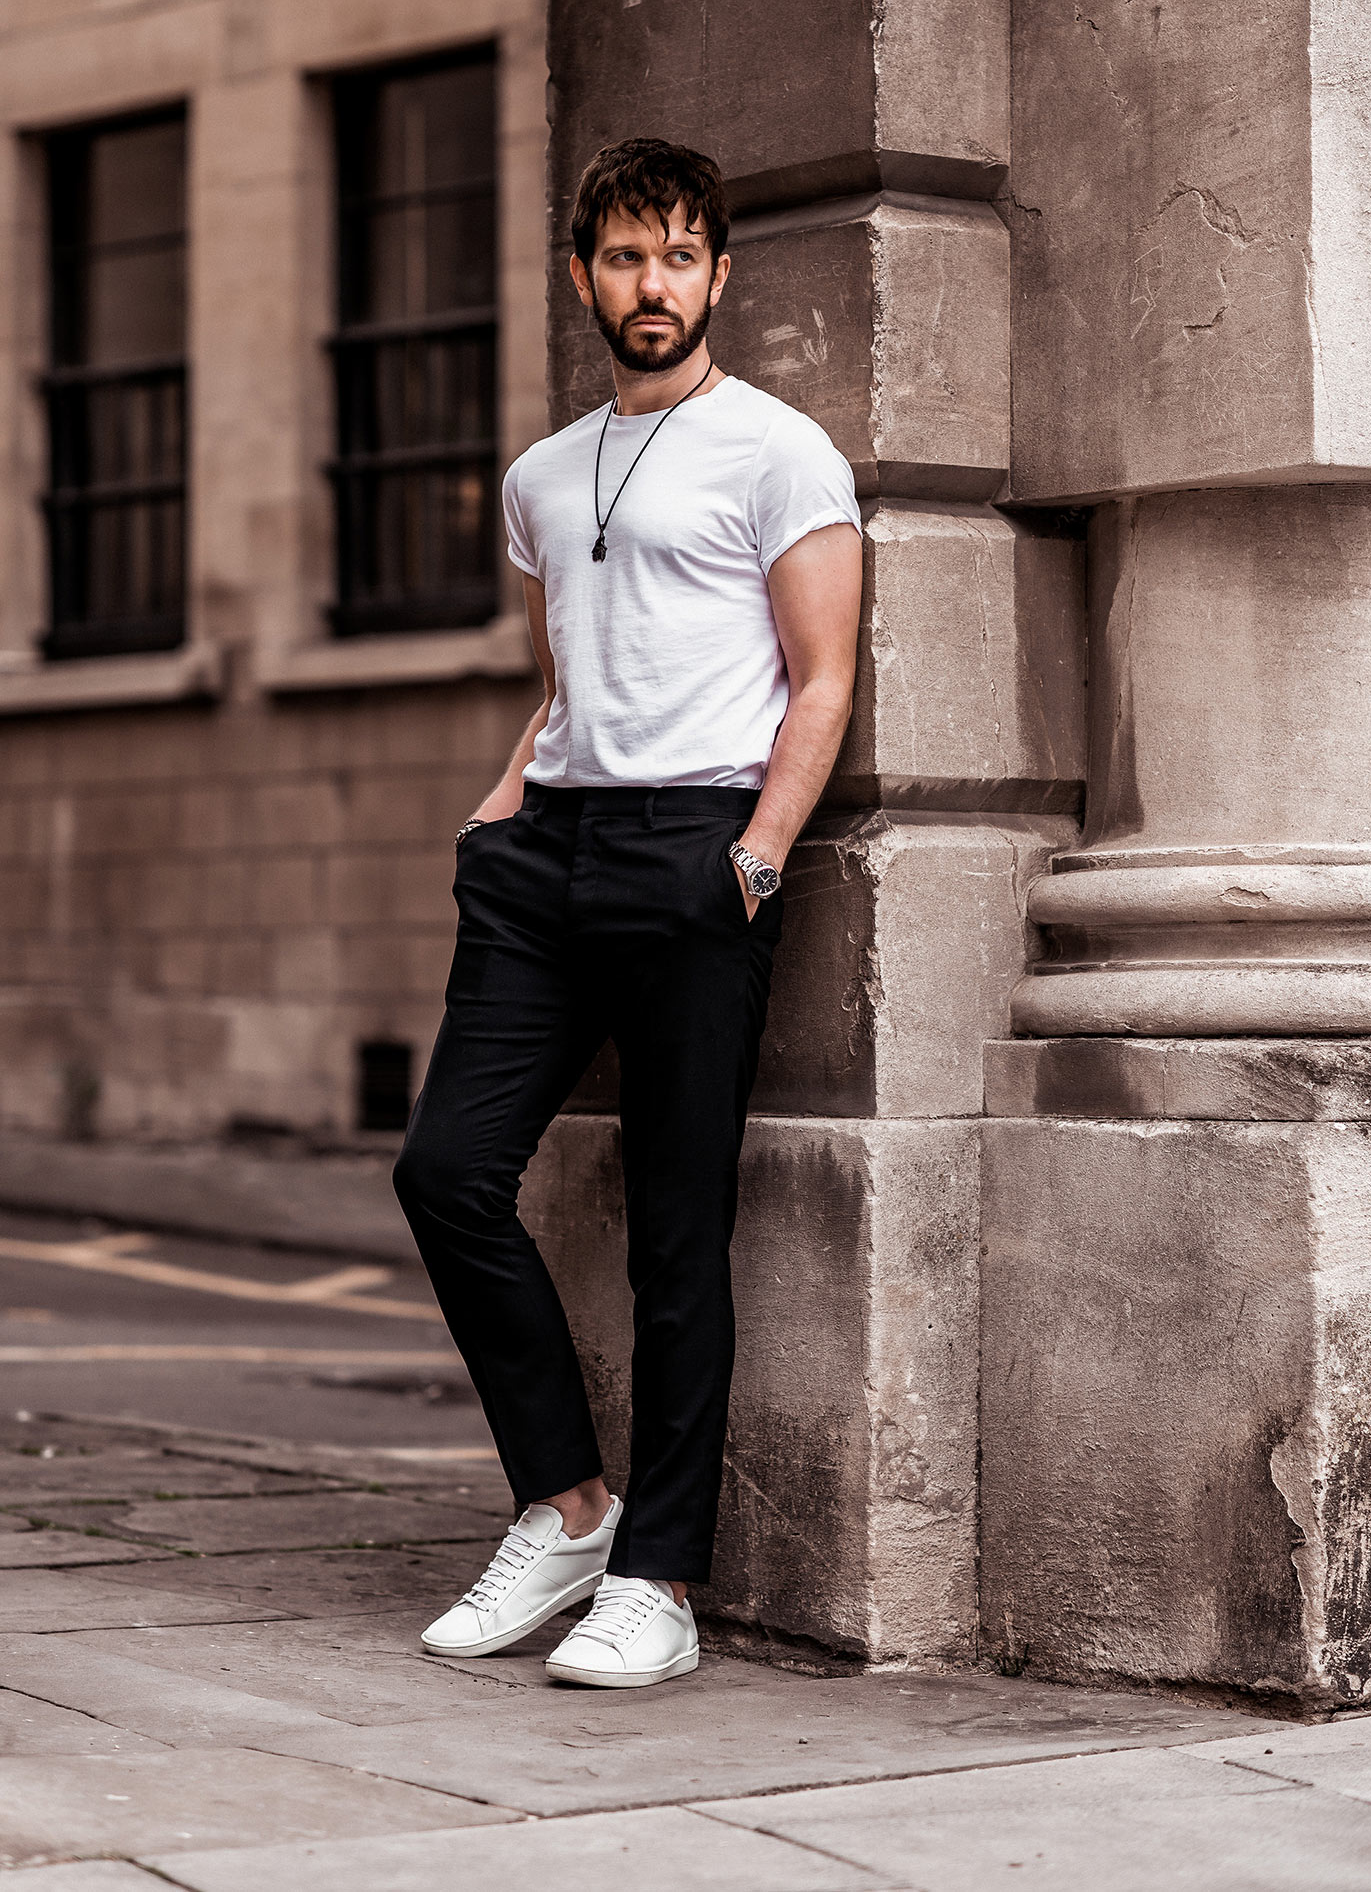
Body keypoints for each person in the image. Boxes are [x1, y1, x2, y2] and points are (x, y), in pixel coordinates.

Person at [393, 136, 862, 1688]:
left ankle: (657, 1577)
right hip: (549, 855)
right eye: (622, 257)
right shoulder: (541, 473)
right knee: (447, 1168)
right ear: (583, 272)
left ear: (720, 272)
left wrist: (757, 855)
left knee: (676, 1234)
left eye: (677, 256)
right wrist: (501, 804)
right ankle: (569, 1503)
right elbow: (568, 672)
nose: (649, 285)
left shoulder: (781, 452)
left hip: (694, 851)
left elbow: (824, 676)